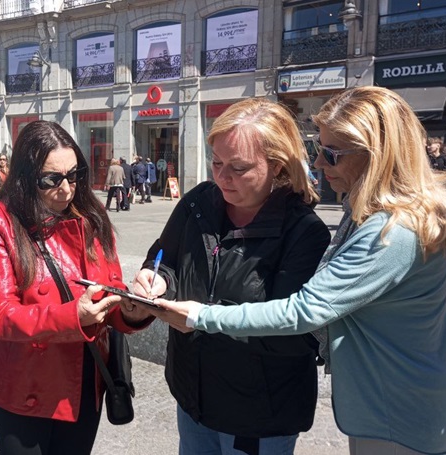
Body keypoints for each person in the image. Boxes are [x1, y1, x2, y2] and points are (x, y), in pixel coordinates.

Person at [145, 87, 446, 455]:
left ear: (375, 157)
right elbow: (437, 330)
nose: (317, 164)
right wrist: (157, 277)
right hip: (397, 404)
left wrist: (201, 315)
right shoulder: (385, 215)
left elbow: (305, 312)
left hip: (391, 412)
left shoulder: (390, 231)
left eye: (330, 154)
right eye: (317, 151)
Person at [131, 98, 330, 455]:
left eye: (238, 168)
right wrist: (156, 276)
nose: (222, 177)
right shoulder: (198, 202)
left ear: (277, 166)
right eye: (217, 162)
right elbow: (167, 256)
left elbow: (294, 333)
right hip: (193, 395)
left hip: (260, 411)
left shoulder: (303, 231)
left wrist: (203, 318)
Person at [0, 120, 153, 455]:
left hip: (84, 378)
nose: (66, 189)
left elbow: (110, 291)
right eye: (51, 179)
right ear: (25, 177)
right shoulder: (0, 220)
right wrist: (72, 316)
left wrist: (132, 310)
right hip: (23, 382)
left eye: (74, 174)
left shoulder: (92, 218)